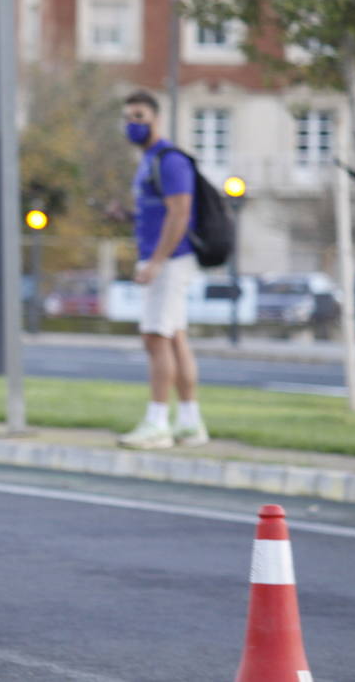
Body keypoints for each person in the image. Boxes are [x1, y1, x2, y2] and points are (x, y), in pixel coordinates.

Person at [118, 90, 209, 450]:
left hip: (169, 261)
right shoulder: (148, 161)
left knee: (155, 338)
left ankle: (157, 423)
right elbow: (158, 212)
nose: (132, 124)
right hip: (162, 258)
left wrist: (156, 262)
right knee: (174, 338)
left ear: (156, 118)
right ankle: (190, 422)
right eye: (128, 117)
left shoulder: (170, 160)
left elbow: (180, 213)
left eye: (139, 116)